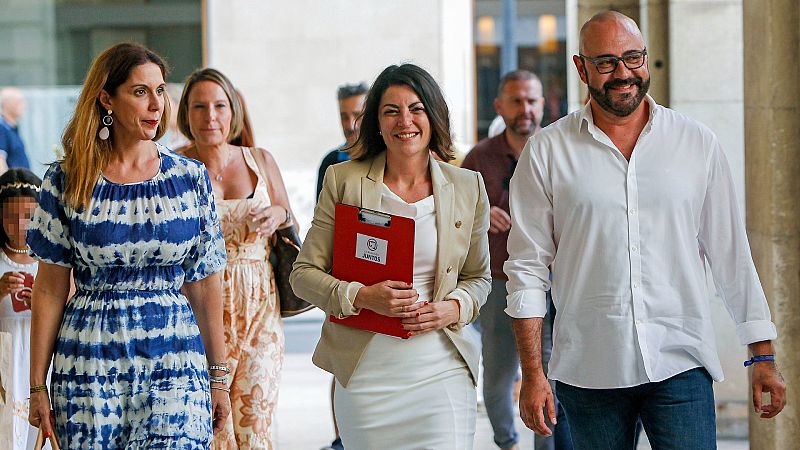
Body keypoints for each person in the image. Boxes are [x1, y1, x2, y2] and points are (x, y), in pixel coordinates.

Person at [505, 11, 786, 449]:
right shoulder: (547, 151)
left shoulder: (696, 143)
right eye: (606, 62)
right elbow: (526, 268)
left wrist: (762, 354)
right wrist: (533, 373)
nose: (623, 73)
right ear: (581, 68)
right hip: (589, 369)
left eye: (633, 58)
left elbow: (731, 255)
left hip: (681, 362)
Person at [26, 43, 230, 448]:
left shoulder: (190, 178)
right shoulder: (67, 180)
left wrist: (218, 378)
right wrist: (36, 386)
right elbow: (49, 289)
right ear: (107, 99)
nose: (156, 104)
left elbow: (206, 284)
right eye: (140, 92)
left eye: (160, 90)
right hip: (89, 363)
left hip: (175, 359)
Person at [291, 63, 491, 449]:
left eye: (416, 108)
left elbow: (478, 278)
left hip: (442, 370)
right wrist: (362, 296)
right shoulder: (344, 180)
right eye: (391, 111)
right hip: (367, 377)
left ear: (433, 116)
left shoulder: (468, 186)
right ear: (377, 123)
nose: (405, 121)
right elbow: (303, 274)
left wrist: (453, 308)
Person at [176, 67, 294, 449]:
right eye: (199, 106)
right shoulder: (173, 167)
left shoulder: (259, 159)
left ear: (233, 111)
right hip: (197, 307)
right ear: (186, 113)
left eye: (219, 106)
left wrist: (276, 214)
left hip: (260, 305)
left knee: (255, 424)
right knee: (213, 429)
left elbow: (287, 215)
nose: (210, 116)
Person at [463, 70, 571, 450]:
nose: (525, 109)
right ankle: (506, 443)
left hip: (553, 280)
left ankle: (545, 446)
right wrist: (480, 218)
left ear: (543, 105)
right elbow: (455, 218)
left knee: (549, 373)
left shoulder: (561, 150)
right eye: (516, 101)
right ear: (499, 106)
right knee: (498, 374)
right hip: (498, 280)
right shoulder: (479, 158)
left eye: (532, 100)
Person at [0, 169, 42, 449]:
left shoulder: (51, 262)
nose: (20, 224)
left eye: (28, 215)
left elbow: (69, 311)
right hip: (4, 356)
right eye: (10, 216)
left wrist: (41, 304)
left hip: (38, 356)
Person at [316, 82, 368, 200]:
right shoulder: (329, 163)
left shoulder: (386, 158)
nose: (350, 125)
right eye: (344, 117)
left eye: (357, 115)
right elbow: (321, 210)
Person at [0, 88, 31, 170]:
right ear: (7, 104)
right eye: (20, 102)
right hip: (12, 178)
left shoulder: (11, 128)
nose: (24, 106)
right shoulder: (2, 128)